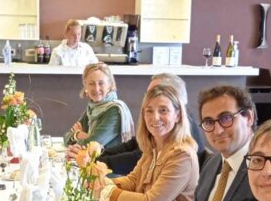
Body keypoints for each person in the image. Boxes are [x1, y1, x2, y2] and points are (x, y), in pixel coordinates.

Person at [148, 85, 255, 201]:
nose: (217, 130)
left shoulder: (261, 170)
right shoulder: (213, 163)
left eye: (226, 118)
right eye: (209, 122)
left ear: (248, 117)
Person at [98, 84, 198, 201]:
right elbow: (133, 181)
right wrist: (103, 183)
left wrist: (107, 192)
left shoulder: (181, 155)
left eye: (163, 110)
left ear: (177, 115)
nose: (155, 117)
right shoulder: (153, 147)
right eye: (149, 111)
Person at [77, 73, 205, 176]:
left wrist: (95, 161)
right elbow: (134, 145)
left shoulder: (183, 129)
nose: (149, 98)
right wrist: (98, 157)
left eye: (155, 93)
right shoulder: (165, 124)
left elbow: (137, 159)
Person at [64, 62, 134, 150]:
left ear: (109, 85)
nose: (96, 89)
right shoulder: (92, 107)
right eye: (91, 84)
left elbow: (91, 145)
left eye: (101, 83)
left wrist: (81, 136)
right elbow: (66, 138)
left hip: (108, 162)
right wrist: (77, 134)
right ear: (85, 86)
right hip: (90, 160)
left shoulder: (115, 110)